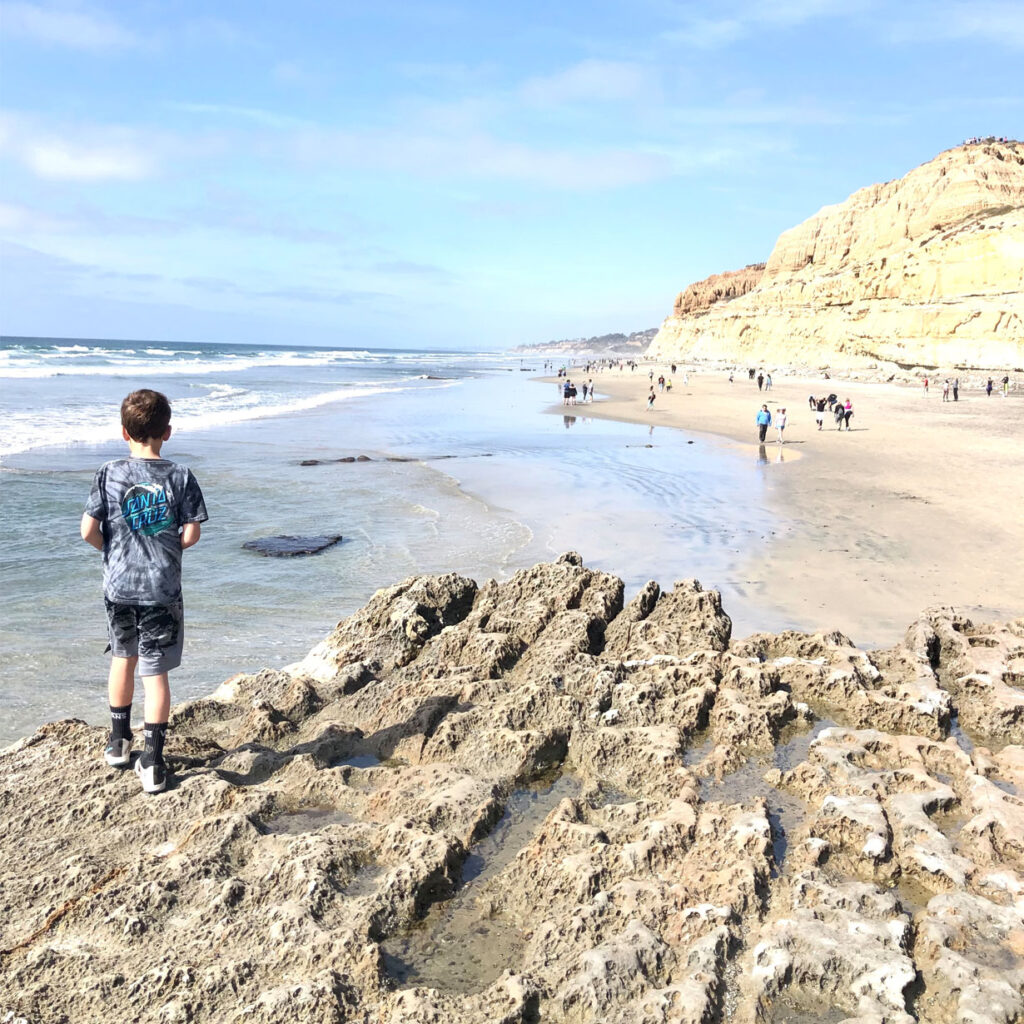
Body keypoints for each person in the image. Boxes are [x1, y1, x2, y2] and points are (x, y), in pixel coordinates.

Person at [80, 389, 208, 795]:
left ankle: (118, 744)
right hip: (162, 589)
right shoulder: (181, 475)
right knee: (156, 675)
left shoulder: (108, 472)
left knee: (123, 659)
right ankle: (153, 763)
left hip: (119, 587)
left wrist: (114, 551)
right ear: (167, 432)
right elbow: (191, 533)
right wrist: (166, 549)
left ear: (124, 432)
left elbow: (88, 531)